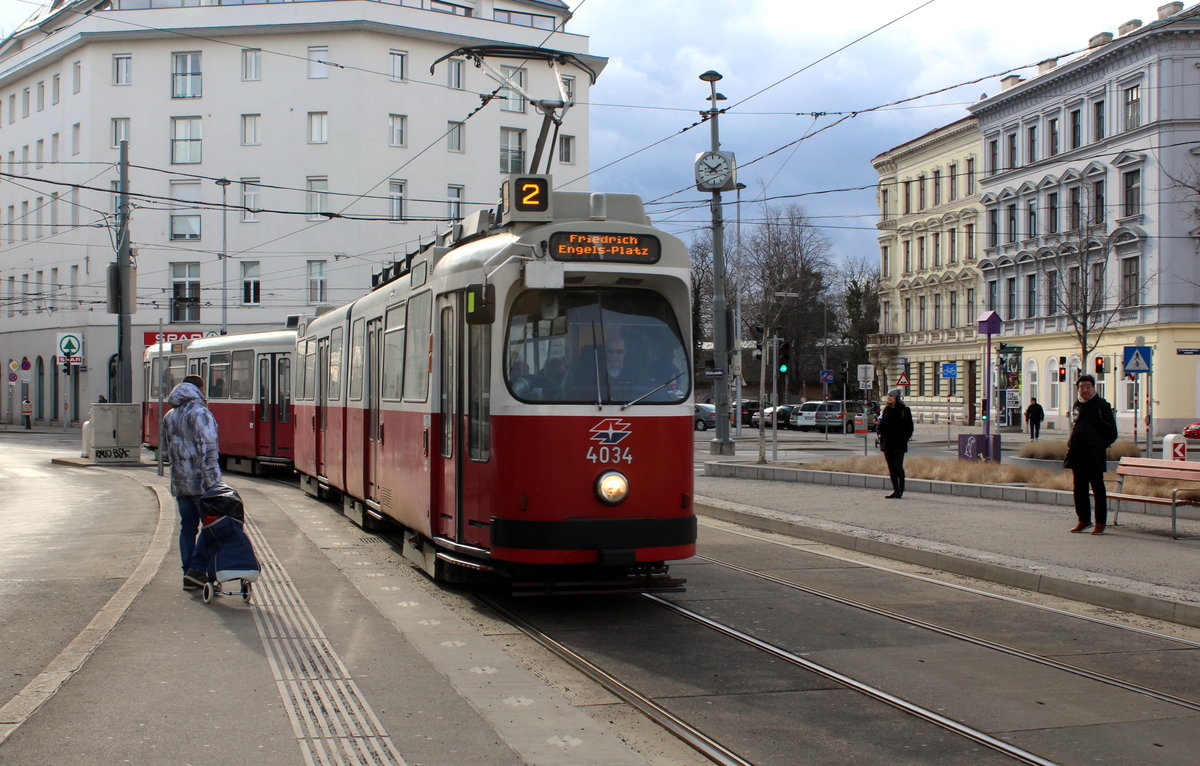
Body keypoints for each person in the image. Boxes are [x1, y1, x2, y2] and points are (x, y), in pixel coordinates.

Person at [161, 374, 222, 589]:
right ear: (199, 389)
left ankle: (188, 572)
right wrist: (215, 483)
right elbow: (209, 449)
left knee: (187, 528)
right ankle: (196, 570)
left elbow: (165, 450)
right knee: (212, 527)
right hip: (202, 483)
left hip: (180, 483)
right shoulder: (201, 413)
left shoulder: (170, 415)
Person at [1064, 374, 1118, 534]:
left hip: (1094, 455)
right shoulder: (1077, 406)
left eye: (1088, 387)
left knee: (1098, 488)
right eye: (1081, 387)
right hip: (1077, 454)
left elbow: (1112, 433)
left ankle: (1100, 522)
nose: (1085, 390)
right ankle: (1083, 519)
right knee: (1079, 489)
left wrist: (1099, 445)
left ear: (1094, 388)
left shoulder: (1101, 405)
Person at [877, 388, 914, 499]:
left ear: (896, 397)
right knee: (891, 468)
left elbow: (909, 427)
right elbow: (883, 426)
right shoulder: (886, 409)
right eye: (888, 396)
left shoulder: (904, 410)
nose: (889, 398)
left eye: (891, 396)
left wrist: (904, 439)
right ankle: (895, 490)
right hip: (887, 443)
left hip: (899, 444)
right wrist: (879, 426)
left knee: (898, 467)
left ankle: (901, 489)